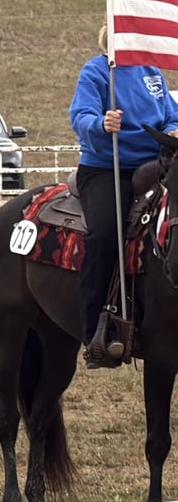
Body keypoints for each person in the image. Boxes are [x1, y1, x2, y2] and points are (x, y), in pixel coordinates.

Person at [69, 23, 178, 369]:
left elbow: (170, 113)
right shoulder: (97, 71)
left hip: (152, 164)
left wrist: (173, 128)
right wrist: (101, 124)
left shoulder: (152, 72)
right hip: (107, 167)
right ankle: (94, 331)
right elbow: (80, 115)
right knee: (105, 234)